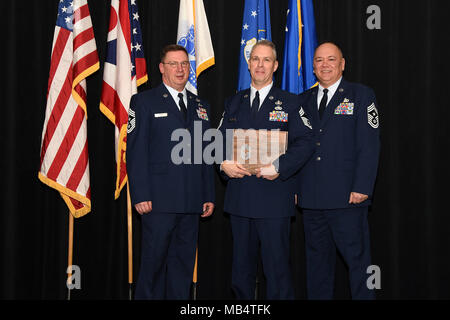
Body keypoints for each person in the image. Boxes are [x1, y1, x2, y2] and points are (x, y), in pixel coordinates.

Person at [219, 40, 315, 299]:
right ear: (248, 64)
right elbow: (216, 141)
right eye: (255, 59)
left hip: (274, 198)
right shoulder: (233, 102)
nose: (260, 65)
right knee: (241, 272)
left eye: (266, 60)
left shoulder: (291, 103)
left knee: (277, 271)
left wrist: (280, 166)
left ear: (275, 65)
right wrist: (223, 163)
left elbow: (306, 142)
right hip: (240, 199)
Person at [126, 44, 215, 299]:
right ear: (162, 68)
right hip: (158, 202)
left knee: (182, 269)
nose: (180, 69)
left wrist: (208, 194)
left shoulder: (201, 105)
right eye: (174, 64)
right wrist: (140, 194)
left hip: (191, 201)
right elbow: (136, 151)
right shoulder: (144, 101)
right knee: (152, 267)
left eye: (184, 64)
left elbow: (205, 152)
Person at [296, 41, 380, 299]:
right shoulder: (302, 101)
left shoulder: (361, 95)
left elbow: (369, 145)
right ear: (313, 67)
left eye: (331, 59)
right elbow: (297, 148)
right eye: (319, 60)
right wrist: (297, 189)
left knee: (358, 263)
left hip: (347, 197)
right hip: (311, 199)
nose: (325, 65)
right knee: (317, 266)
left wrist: (362, 187)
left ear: (342, 64)